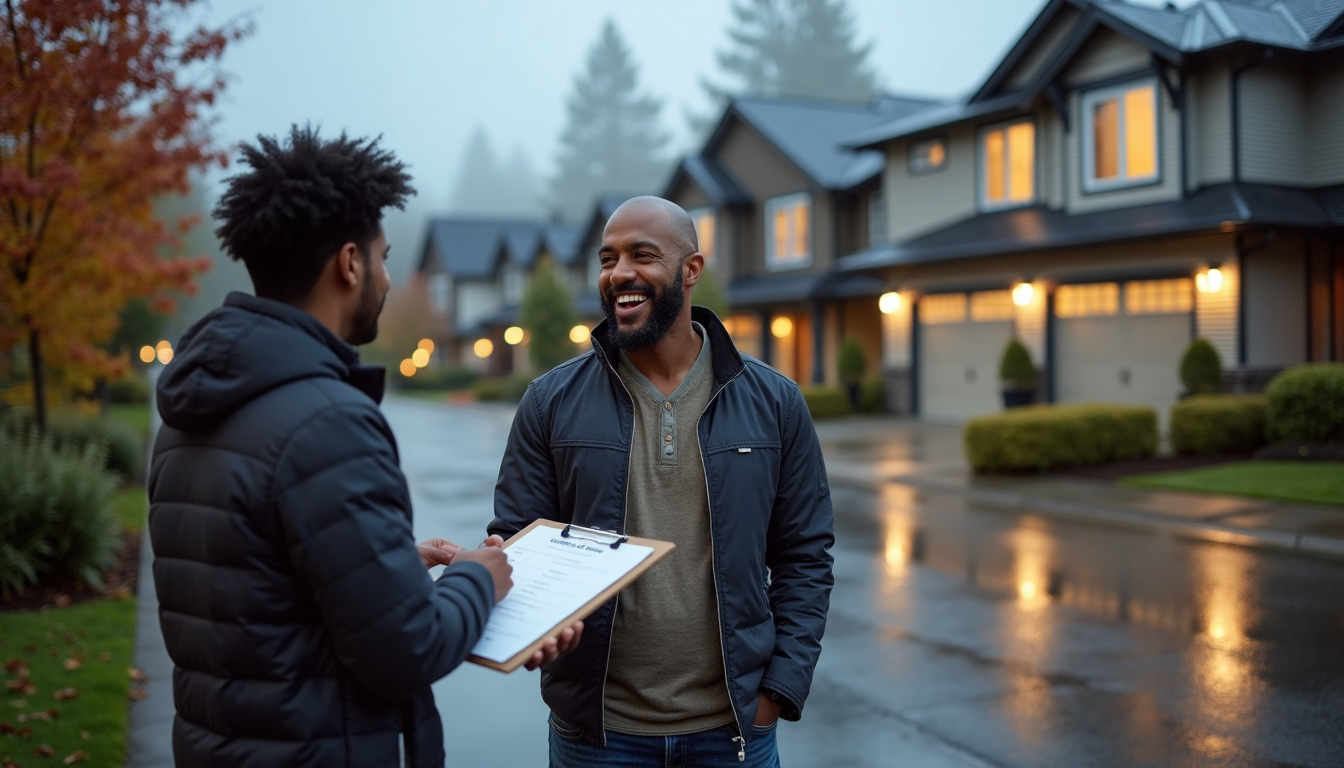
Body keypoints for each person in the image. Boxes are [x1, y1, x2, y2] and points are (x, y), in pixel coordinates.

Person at [148, 126, 577, 768]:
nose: (385, 276)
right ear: (348, 264)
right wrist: (477, 579)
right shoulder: (328, 420)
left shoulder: (190, 411)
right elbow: (406, 649)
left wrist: (383, 566)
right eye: (382, 256)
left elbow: (253, 588)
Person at [488, 196, 835, 767]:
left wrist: (777, 691)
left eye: (642, 255)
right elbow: (518, 542)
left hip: (734, 731)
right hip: (597, 736)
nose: (619, 273)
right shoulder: (550, 401)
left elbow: (804, 554)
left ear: (691, 270)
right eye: (608, 259)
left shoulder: (774, 402)